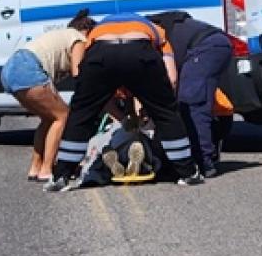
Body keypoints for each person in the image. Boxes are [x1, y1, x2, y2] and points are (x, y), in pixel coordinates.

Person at [46, 12, 204, 192]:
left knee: (80, 115)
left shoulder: (96, 32)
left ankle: (60, 177)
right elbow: (172, 79)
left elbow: (88, 79)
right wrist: (157, 104)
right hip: (140, 52)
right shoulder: (158, 31)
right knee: (167, 114)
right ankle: (188, 173)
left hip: (101, 53)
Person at [0, 10, 97, 182]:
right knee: (62, 116)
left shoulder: (63, 36)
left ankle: (35, 168)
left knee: (48, 119)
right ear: (87, 32)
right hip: (27, 68)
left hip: (10, 69)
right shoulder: (79, 39)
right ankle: (47, 169)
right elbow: (77, 73)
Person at [149, 11, 233, 178]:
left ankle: (203, 162)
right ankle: (199, 155)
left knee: (192, 103)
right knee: (188, 102)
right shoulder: (147, 29)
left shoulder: (145, 37)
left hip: (206, 47)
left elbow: (166, 81)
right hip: (207, 45)